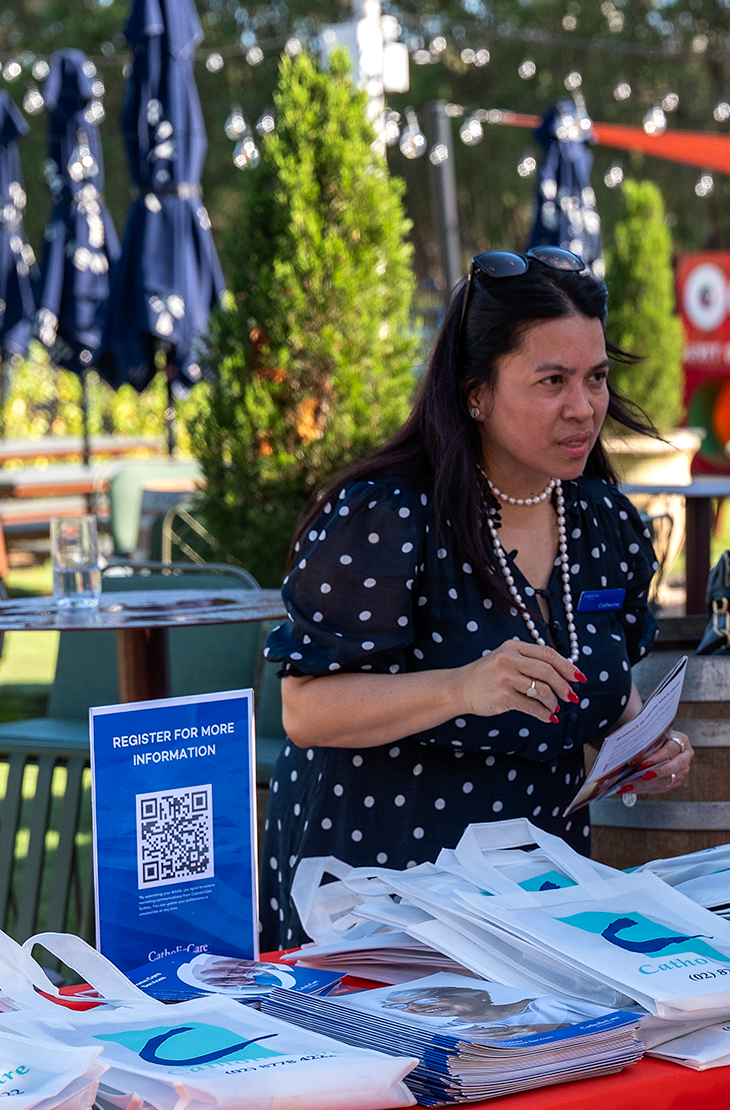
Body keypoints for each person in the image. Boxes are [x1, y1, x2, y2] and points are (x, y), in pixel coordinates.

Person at [260, 246, 696, 948]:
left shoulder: (603, 523)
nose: (583, 408)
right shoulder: (392, 516)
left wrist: (646, 742)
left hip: (542, 901)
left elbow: (603, 688)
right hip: (382, 897)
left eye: (595, 378)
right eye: (551, 381)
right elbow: (305, 709)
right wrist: (463, 687)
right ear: (476, 392)